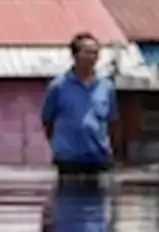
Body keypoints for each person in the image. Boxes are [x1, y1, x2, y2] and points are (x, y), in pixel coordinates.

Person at [42, 32, 118, 181]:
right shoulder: (58, 86)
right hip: (68, 160)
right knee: (68, 202)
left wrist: (111, 151)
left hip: (99, 158)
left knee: (99, 202)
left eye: (96, 53)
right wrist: (60, 147)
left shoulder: (106, 86)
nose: (92, 57)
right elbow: (47, 121)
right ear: (75, 55)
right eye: (87, 53)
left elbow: (113, 121)